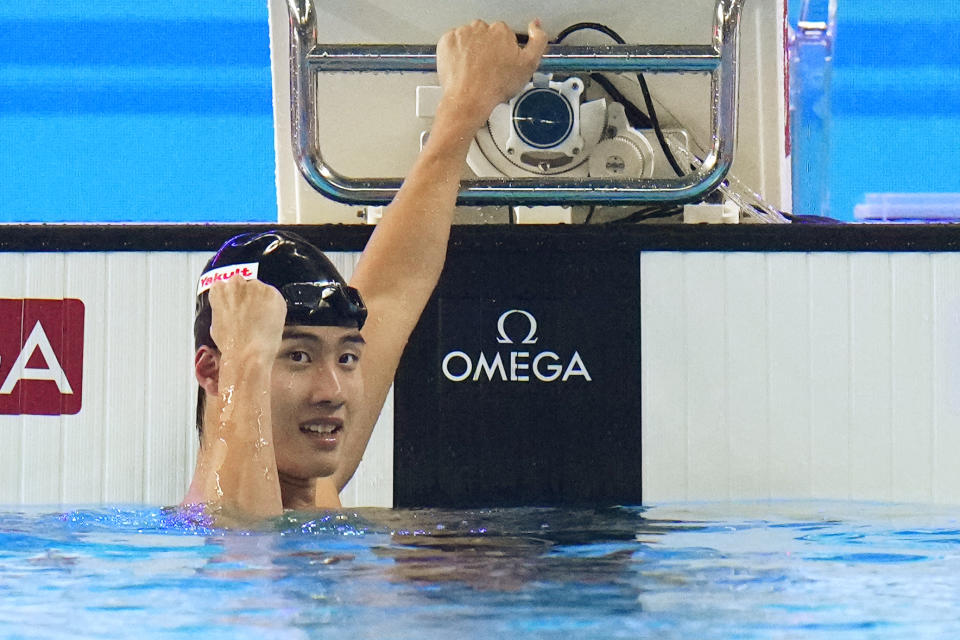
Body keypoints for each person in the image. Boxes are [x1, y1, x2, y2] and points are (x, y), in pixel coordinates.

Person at [182, 19, 548, 521]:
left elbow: (396, 284)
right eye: (295, 357)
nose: (331, 391)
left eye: (347, 359)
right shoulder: (217, 531)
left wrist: (464, 106)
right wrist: (244, 358)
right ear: (211, 369)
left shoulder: (316, 487)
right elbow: (249, 551)